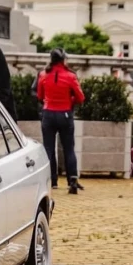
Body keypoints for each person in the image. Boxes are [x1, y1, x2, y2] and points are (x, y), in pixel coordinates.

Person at [37, 48, 85, 194]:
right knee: (69, 148)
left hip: (48, 114)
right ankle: (72, 180)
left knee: (48, 149)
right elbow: (80, 97)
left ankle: (51, 180)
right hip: (65, 114)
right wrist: (69, 101)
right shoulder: (70, 76)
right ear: (63, 59)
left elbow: (40, 95)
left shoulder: (43, 75)